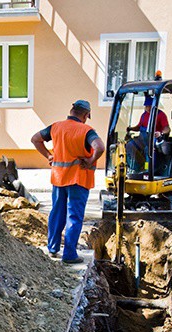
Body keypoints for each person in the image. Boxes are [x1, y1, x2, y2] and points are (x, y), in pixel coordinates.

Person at [31, 100, 105, 264]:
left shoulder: (56, 127)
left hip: (59, 178)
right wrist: (91, 159)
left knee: (57, 213)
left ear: (71, 111)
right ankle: (69, 254)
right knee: (74, 216)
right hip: (79, 180)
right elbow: (99, 147)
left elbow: (35, 139)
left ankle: (53, 248)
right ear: (86, 115)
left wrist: (48, 156)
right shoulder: (86, 131)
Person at [125, 95, 170, 172]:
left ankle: (148, 170)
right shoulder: (144, 115)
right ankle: (135, 168)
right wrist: (131, 128)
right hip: (143, 138)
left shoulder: (160, 115)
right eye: (146, 106)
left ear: (154, 106)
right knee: (130, 145)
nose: (147, 108)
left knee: (148, 150)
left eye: (149, 106)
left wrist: (161, 133)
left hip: (154, 139)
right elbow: (139, 127)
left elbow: (167, 128)